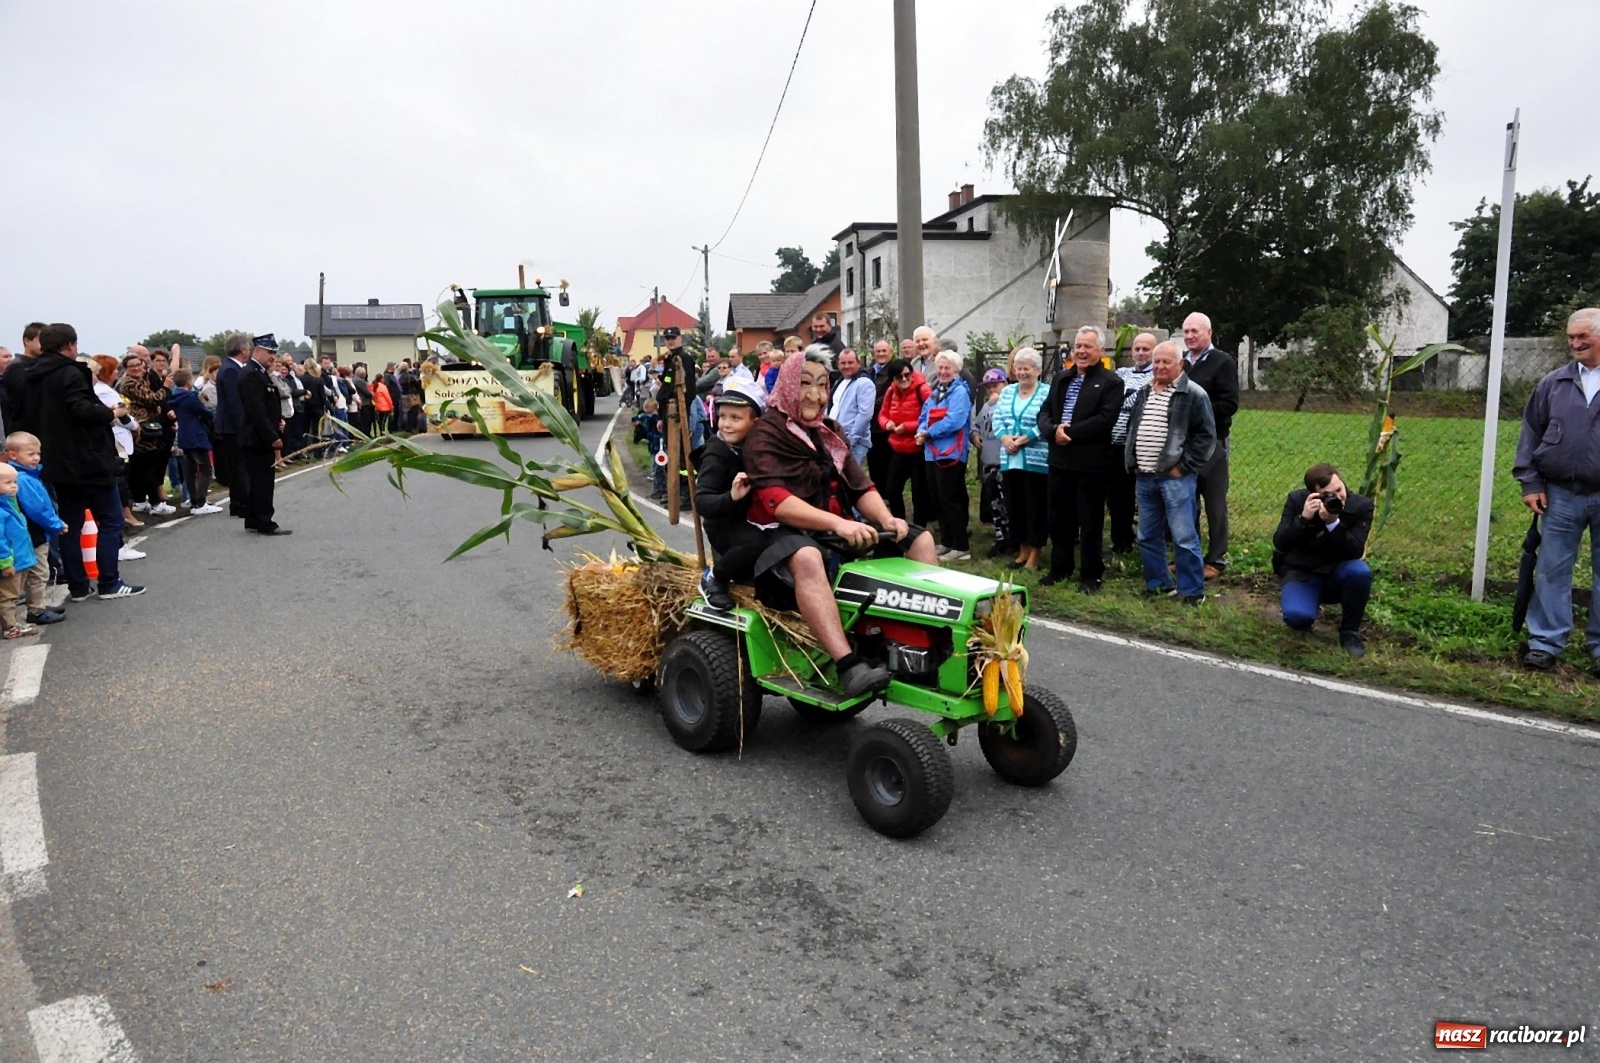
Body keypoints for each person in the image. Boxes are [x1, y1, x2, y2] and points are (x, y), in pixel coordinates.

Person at [743, 346, 939, 696]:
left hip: (835, 527)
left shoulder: (829, 430)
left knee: (919, 540)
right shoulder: (765, 433)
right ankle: (848, 665)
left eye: (822, 385)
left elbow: (859, 484)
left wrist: (885, 517)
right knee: (806, 557)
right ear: (788, 385)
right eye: (805, 384)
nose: (816, 395)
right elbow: (778, 503)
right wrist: (838, 524)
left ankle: (926, 646)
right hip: (780, 532)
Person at [1513, 306, 1600, 677]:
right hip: (1560, 493)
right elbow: (1530, 433)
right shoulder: (1553, 383)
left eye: (1584, 337)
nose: (1575, 344)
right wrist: (1530, 482)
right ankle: (1545, 643)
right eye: (1571, 338)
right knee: (1552, 569)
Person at [30, 323, 144, 600]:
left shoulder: (30, 375)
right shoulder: (70, 372)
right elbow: (80, 409)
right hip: (87, 458)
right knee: (110, 519)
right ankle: (109, 582)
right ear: (70, 345)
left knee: (69, 524)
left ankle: (78, 586)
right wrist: (108, 413)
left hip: (55, 459)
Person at [1123, 340, 1214, 605]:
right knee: (1147, 535)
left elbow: (1206, 437)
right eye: (1157, 362)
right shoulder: (1143, 391)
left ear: (1180, 364)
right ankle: (1159, 584)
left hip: (1175, 478)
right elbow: (1133, 428)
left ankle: (1192, 591)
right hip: (1145, 475)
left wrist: (1182, 467)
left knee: (1184, 536)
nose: (1160, 367)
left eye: (1167, 362)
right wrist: (1133, 460)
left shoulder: (1194, 394)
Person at [1037, 326, 1124, 590]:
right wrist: (1053, 431)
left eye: (1088, 347)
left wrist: (1069, 433)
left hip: (1090, 464)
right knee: (1058, 519)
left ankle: (1090, 574)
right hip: (1059, 460)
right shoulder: (1061, 378)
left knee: (1089, 522)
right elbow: (1044, 412)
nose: (1082, 351)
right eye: (1078, 346)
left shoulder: (1111, 382)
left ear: (1100, 350)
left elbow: (1105, 419)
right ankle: (1060, 568)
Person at [1272, 463, 1374, 657]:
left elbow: (1355, 551)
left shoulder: (1361, 506)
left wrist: (1333, 522)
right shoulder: (1297, 500)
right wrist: (1302, 519)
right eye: (1329, 494)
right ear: (1314, 495)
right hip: (1303, 573)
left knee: (1360, 572)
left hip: (1338, 572)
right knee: (1297, 618)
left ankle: (1349, 631)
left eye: (1339, 489)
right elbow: (1280, 543)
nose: (1338, 496)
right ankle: (1306, 607)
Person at [693, 378, 769, 611]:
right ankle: (714, 578)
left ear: (754, 423)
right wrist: (731, 497)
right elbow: (702, 502)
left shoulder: (752, 446)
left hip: (750, 517)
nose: (726, 424)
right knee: (757, 542)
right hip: (724, 525)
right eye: (723, 416)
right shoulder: (716, 452)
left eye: (736, 418)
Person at [1180, 313, 1240, 578]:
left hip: (1212, 442)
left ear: (1209, 332)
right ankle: (1189, 556)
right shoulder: (1182, 362)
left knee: (1214, 502)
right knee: (1187, 501)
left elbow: (1229, 404)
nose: (1191, 336)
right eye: (1186, 332)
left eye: (1195, 331)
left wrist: (1195, 411)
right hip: (1183, 443)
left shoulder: (1222, 362)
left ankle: (1216, 560)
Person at [994, 346, 1050, 571]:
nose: (1022, 372)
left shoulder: (1047, 392)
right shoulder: (1007, 392)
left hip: (1036, 459)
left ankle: (1036, 552)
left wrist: (1025, 439)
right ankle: (1022, 550)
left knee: (1035, 506)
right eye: (1019, 368)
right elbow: (998, 418)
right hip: (1010, 458)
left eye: (1027, 368)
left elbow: (1047, 421)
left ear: (1037, 370)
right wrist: (1005, 438)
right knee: (1015, 505)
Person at [915, 348, 974, 560]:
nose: (942, 371)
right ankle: (947, 542)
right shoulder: (936, 391)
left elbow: (955, 420)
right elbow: (924, 414)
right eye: (940, 367)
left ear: (956, 370)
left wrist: (928, 432)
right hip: (932, 452)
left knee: (950, 499)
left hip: (951, 453)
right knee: (937, 499)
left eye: (947, 368)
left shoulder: (960, 392)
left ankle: (961, 546)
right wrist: (921, 430)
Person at [6, 432, 67, 625]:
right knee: (38, 572)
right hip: (35, 535)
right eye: (30, 454)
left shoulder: (22, 477)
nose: (36, 458)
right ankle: (36, 610)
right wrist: (56, 524)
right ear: (13, 455)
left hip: (31, 534)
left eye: (38, 454)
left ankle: (35, 606)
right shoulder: (23, 479)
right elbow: (37, 509)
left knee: (31, 574)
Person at [1108, 332, 1156, 554]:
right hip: (1111, 443)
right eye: (1137, 348)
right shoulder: (1121, 373)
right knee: (1116, 497)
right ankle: (1119, 539)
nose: (1140, 353)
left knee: (1133, 495)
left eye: (1146, 349)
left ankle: (1134, 541)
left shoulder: (1156, 376)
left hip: (1136, 446)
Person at [238, 335, 290, 535]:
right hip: (257, 437)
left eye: (275, 353)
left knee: (257, 479)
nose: (273, 357)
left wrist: (278, 420)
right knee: (263, 482)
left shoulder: (259, 373)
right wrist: (271, 435)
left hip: (258, 434)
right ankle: (264, 521)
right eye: (269, 352)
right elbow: (256, 410)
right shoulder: (251, 374)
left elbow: (266, 405)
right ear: (257, 350)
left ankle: (252, 518)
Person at [118, 350, 175, 516]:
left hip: (145, 427)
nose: (137, 369)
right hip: (143, 430)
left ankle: (140, 500)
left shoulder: (138, 381)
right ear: (126, 368)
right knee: (148, 466)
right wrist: (165, 387)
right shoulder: (129, 384)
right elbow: (153, 398)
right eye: (132, 366)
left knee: (140, 466)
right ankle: (155, 503)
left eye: (138, 365)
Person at [876, 357, 932, 524]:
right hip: (898, 449)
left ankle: (919, 529)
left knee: (919, 494)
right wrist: (888, 424)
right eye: (899, 377)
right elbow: (882, 414)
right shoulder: (891, 391)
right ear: (893, 379)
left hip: (918, 448)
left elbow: (931, 416)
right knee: (892, 490)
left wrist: (907, 426)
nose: (905, 379)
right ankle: (899, 524)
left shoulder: (922, 390)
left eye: (907, 375)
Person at [167, 368, 222, 514]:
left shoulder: (175, 397)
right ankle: (201, 501)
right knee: (206, 469)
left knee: (190, 469)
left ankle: (193, 500)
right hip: (196, 434)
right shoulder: (190, 397)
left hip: (185, 435)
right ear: (188, 381)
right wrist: (211, 416)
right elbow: (204, 413)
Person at [974, 368, 1011, 556]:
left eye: (995, 385)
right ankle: (1000, 537)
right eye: (988, 387)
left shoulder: (1008, 402)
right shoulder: (987, 406)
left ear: (1005, 383)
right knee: (994, 502)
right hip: (989, 460)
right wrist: (974, 436)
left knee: (1007, 501)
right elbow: (976, 425)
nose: (992, 390)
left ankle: (1013, 538)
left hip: (1004, 460)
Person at [0, 465, 38, 638]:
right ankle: (10, 627)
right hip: (11, 561)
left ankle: (13, 622)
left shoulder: (9, 503)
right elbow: (1, 541)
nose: (14, 485)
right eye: (8, 482)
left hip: (21, 558)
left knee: (13, 594)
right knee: (8, 595)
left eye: (14, 482)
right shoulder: (2, 510)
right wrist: (5, 562)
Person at [214, 331, 250, 505]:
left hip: (231, 425)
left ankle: (239, 501)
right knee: (239, 465)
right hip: (232, 426)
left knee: (238, 465)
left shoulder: (232, 367)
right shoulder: (230, 370)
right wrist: (244, 425)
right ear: (243, 349)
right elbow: (235, 402)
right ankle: (241, 501)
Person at [827, 347, 875, 467]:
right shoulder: (840, 382)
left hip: (853, 443)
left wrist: (850, 441)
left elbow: (865, 414)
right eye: (843, 363)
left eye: (850, 362)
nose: (846, 366)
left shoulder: (864, 383)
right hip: (836, 439)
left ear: (858, 363)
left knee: (850, 481)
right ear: (838, 364)